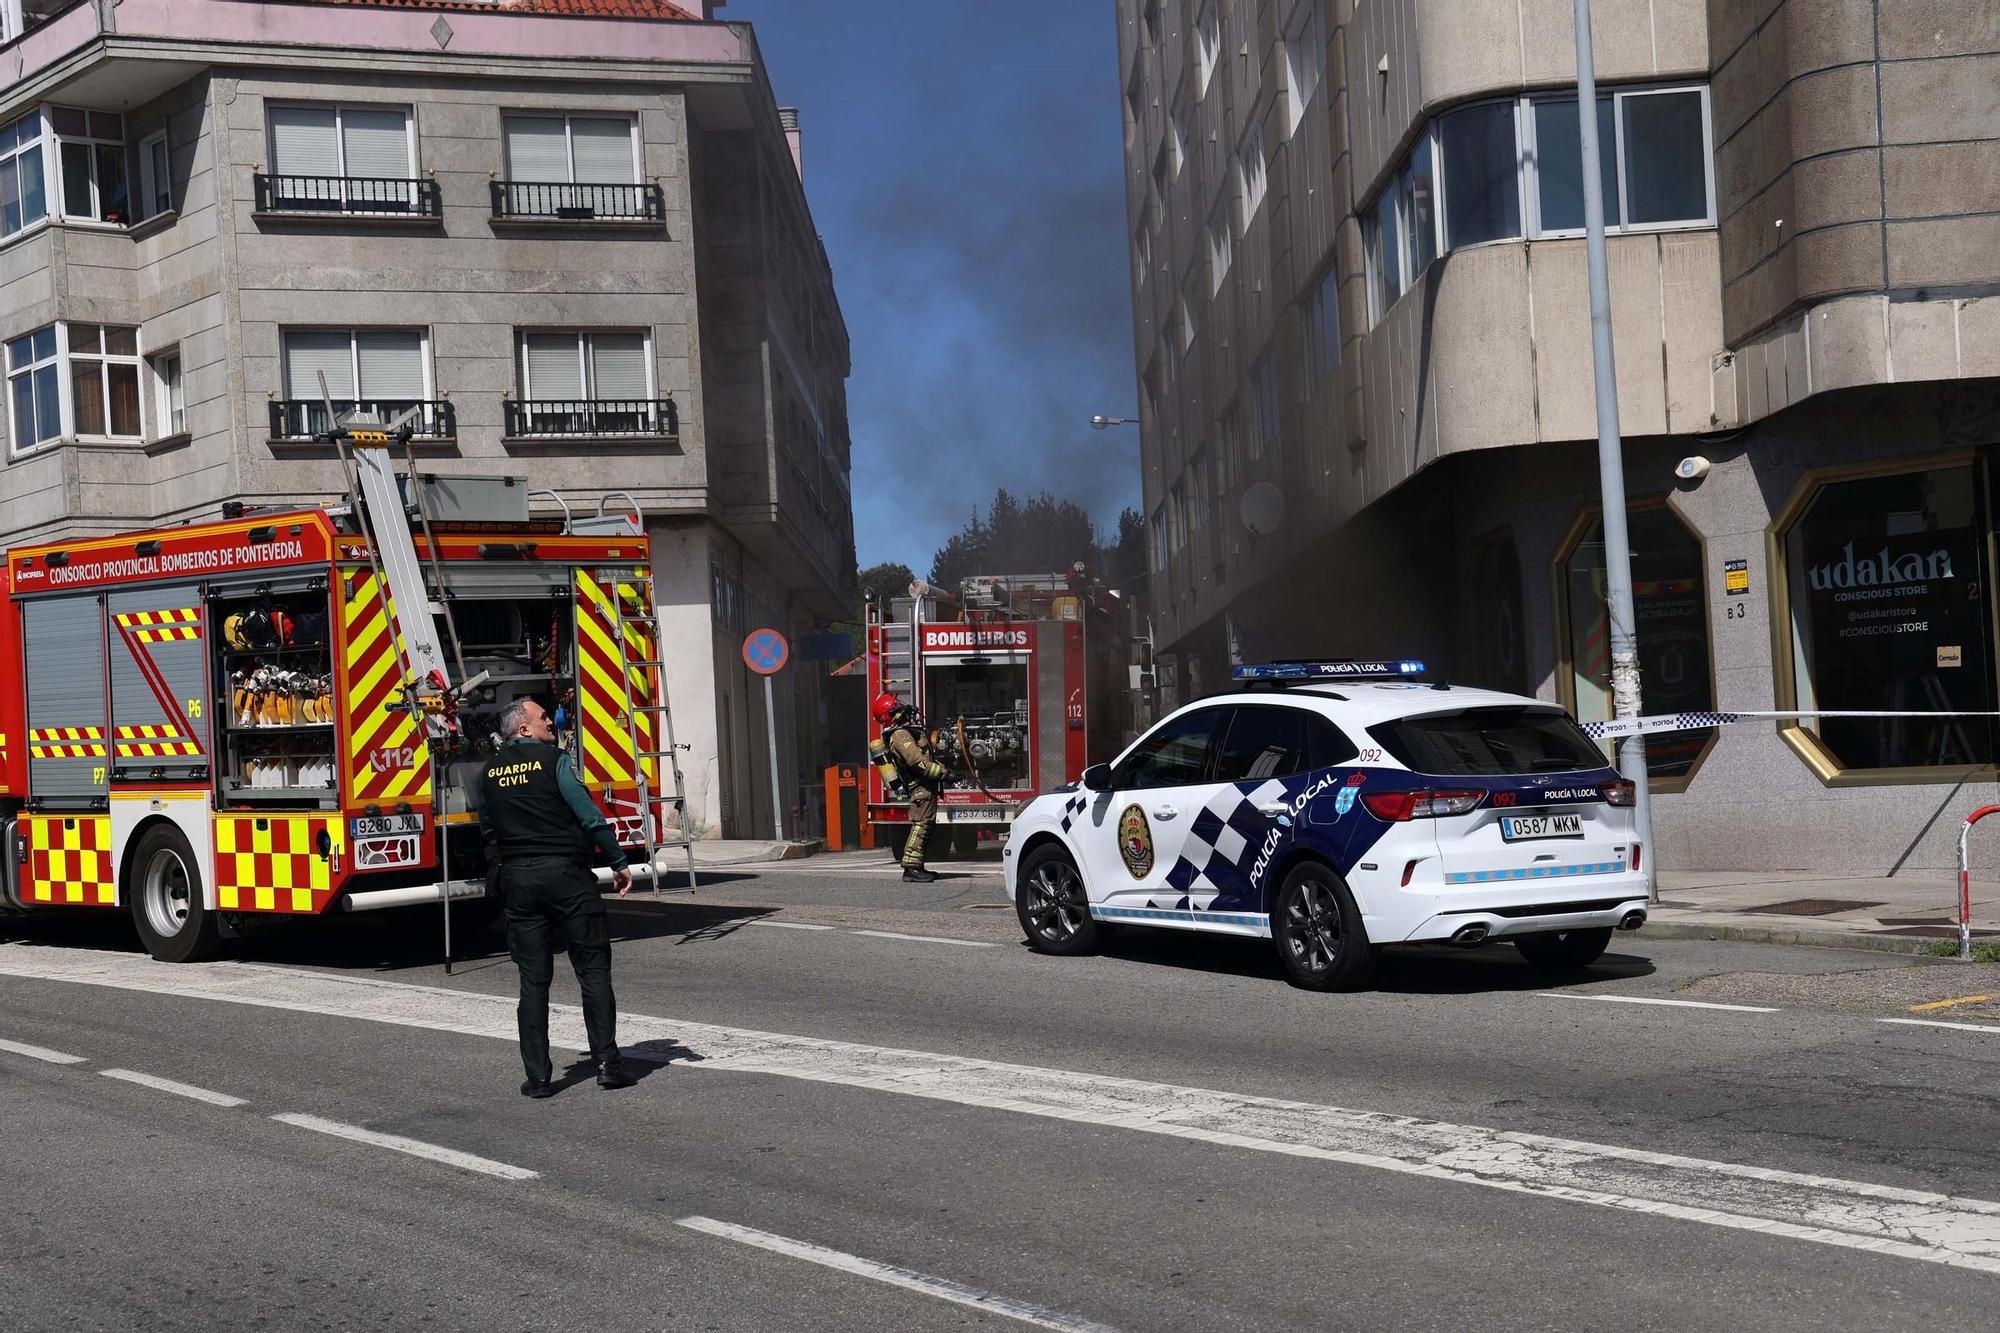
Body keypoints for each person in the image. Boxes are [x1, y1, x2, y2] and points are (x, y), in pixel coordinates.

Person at [478, 696, 637, 1097]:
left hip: (519, 881)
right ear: (524, 729)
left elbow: (488, 828)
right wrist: (618, 860)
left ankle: (539, 1078)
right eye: (543, 717)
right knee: (593, 970)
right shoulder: (556, 761)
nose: (552, 720)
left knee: (533, 982)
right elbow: (588, 815)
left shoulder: (490, 772)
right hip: (566, 877)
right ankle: (607, 1063)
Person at [872, 692, 951, 883]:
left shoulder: (906, 732)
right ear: (892, 712)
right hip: (920, 788)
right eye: (896, 704)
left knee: (925, 826)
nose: (902, 706)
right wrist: (944, 774)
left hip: (924, 787)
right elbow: (917, 762)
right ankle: (911, 868)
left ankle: (917, 865)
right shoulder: (900, 735)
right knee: (921, 826)